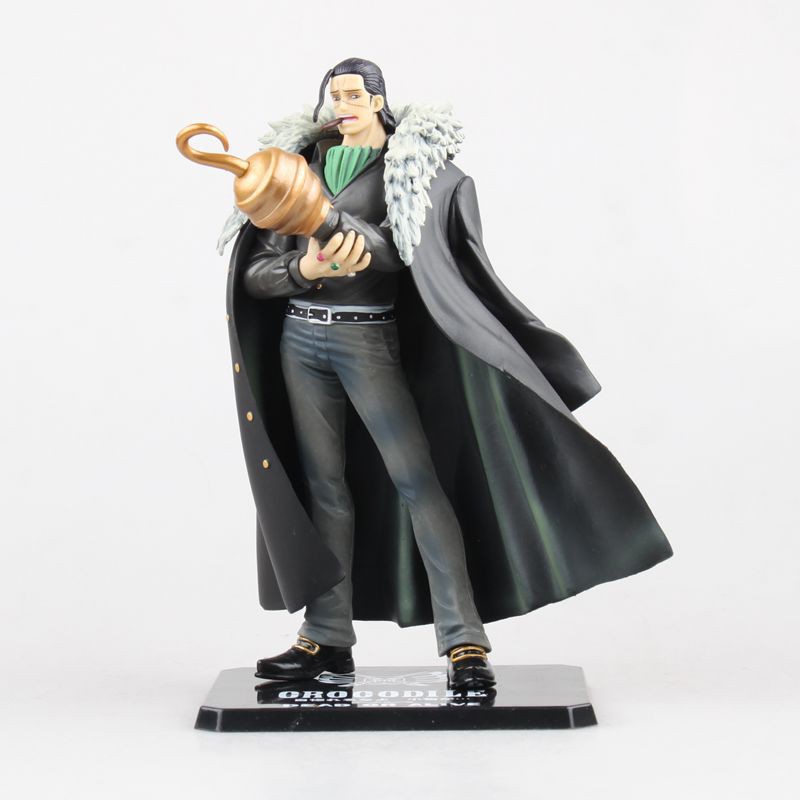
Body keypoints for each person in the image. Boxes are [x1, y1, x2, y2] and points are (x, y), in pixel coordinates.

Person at [217, 57, 672, 690]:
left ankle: (463, 640)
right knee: (323, 488)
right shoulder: (297, 167)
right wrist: (304, 270)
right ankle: (326, 638)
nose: (343, 105)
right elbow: (256, 272)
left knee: (416, 481)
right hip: (302, 339)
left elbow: (400, 252)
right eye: (334, 96)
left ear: (379, 100)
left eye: (354, 95)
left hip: (366, 338)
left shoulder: (416, 174)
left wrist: (326, 220)